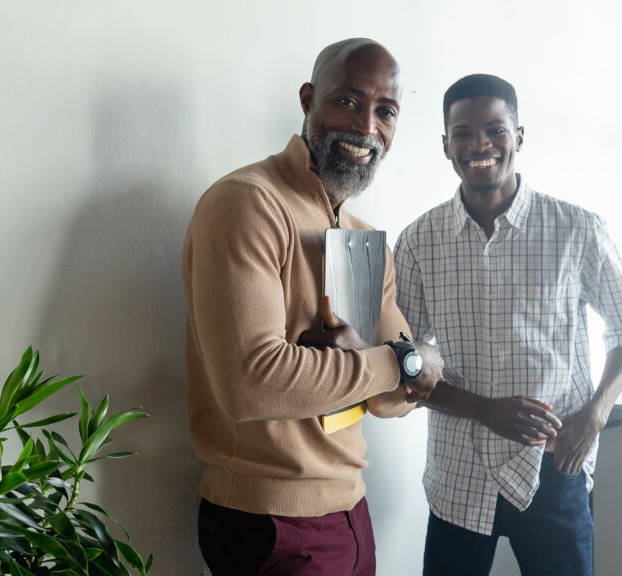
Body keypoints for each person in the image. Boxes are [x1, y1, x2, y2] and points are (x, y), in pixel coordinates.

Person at [182, 38, 443, 576]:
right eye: (348, 101)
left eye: (386, 111)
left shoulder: (367, 239)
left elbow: (398, 401)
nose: (367, 128)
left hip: (352, 512)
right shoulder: (247, 202)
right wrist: (399, 359)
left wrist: (389, 369)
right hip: (269, 521)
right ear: (308, 99)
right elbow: (251, 383)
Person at [393, 74, 622, 576]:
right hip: (458, 472)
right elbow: (400, 360)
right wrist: (482, 409)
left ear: (519, 136)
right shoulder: (419, 240)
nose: (479, 145)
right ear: (445, 145)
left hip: (555, 467)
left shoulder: (577, 229)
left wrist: (595, 415)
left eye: (494, 129)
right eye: (463, 133)